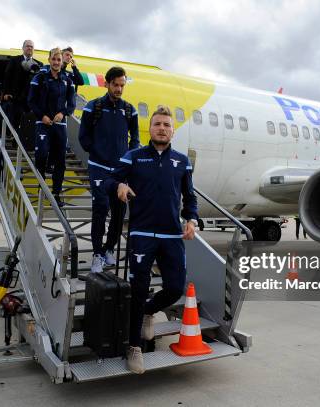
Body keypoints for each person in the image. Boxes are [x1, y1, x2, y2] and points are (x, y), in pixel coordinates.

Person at [104, 105, 198, 374]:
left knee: (175, 288)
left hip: (171, 235)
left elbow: (190, 198)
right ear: (151, 128)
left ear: (172, 130)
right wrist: (119, 186)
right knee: (137, 290)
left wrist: (191, 220)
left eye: (166, 125)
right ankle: (133, 347)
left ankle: (149, 311)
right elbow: (109, 180)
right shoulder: (134, 157)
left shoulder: (182, 161)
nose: (162, 128)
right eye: (157, 124)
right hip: (142, 234)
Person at [79, 66, 139, 273]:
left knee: (119, 212)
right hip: (99, 168)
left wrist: (127, 161)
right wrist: (96, 151)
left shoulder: (130, 110)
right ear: (107, 84)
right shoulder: (93, 107)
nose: (119, 89)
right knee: (101, 208)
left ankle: (108, 249)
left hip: (120, 171)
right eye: (116, 85)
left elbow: (136, 140)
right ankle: (97, 254)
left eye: (122, 85)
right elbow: (83, 136)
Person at [27, 48, 75, 207]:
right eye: (54, 59)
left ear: (62, 62)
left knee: (60, 159)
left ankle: (56, 192)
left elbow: (72, 103)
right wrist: (42, 116)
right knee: (41, 155)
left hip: (59, 125)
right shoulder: (39, 78)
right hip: (43, 123)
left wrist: (63, 113)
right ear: (49, 60)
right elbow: (31, 101)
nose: (56, 62)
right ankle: (42, 188)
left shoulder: (67, 80)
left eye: (59, 60)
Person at [1, 40, 43, 130]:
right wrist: (6, 92)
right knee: (13, 124)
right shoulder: (14, 60)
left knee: (27, 127)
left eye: (31, 46)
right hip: (15, 98)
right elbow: (7, 77)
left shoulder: (39, 64)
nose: (29, 48)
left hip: (30, 100)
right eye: (27, 46)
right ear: (23, 48)